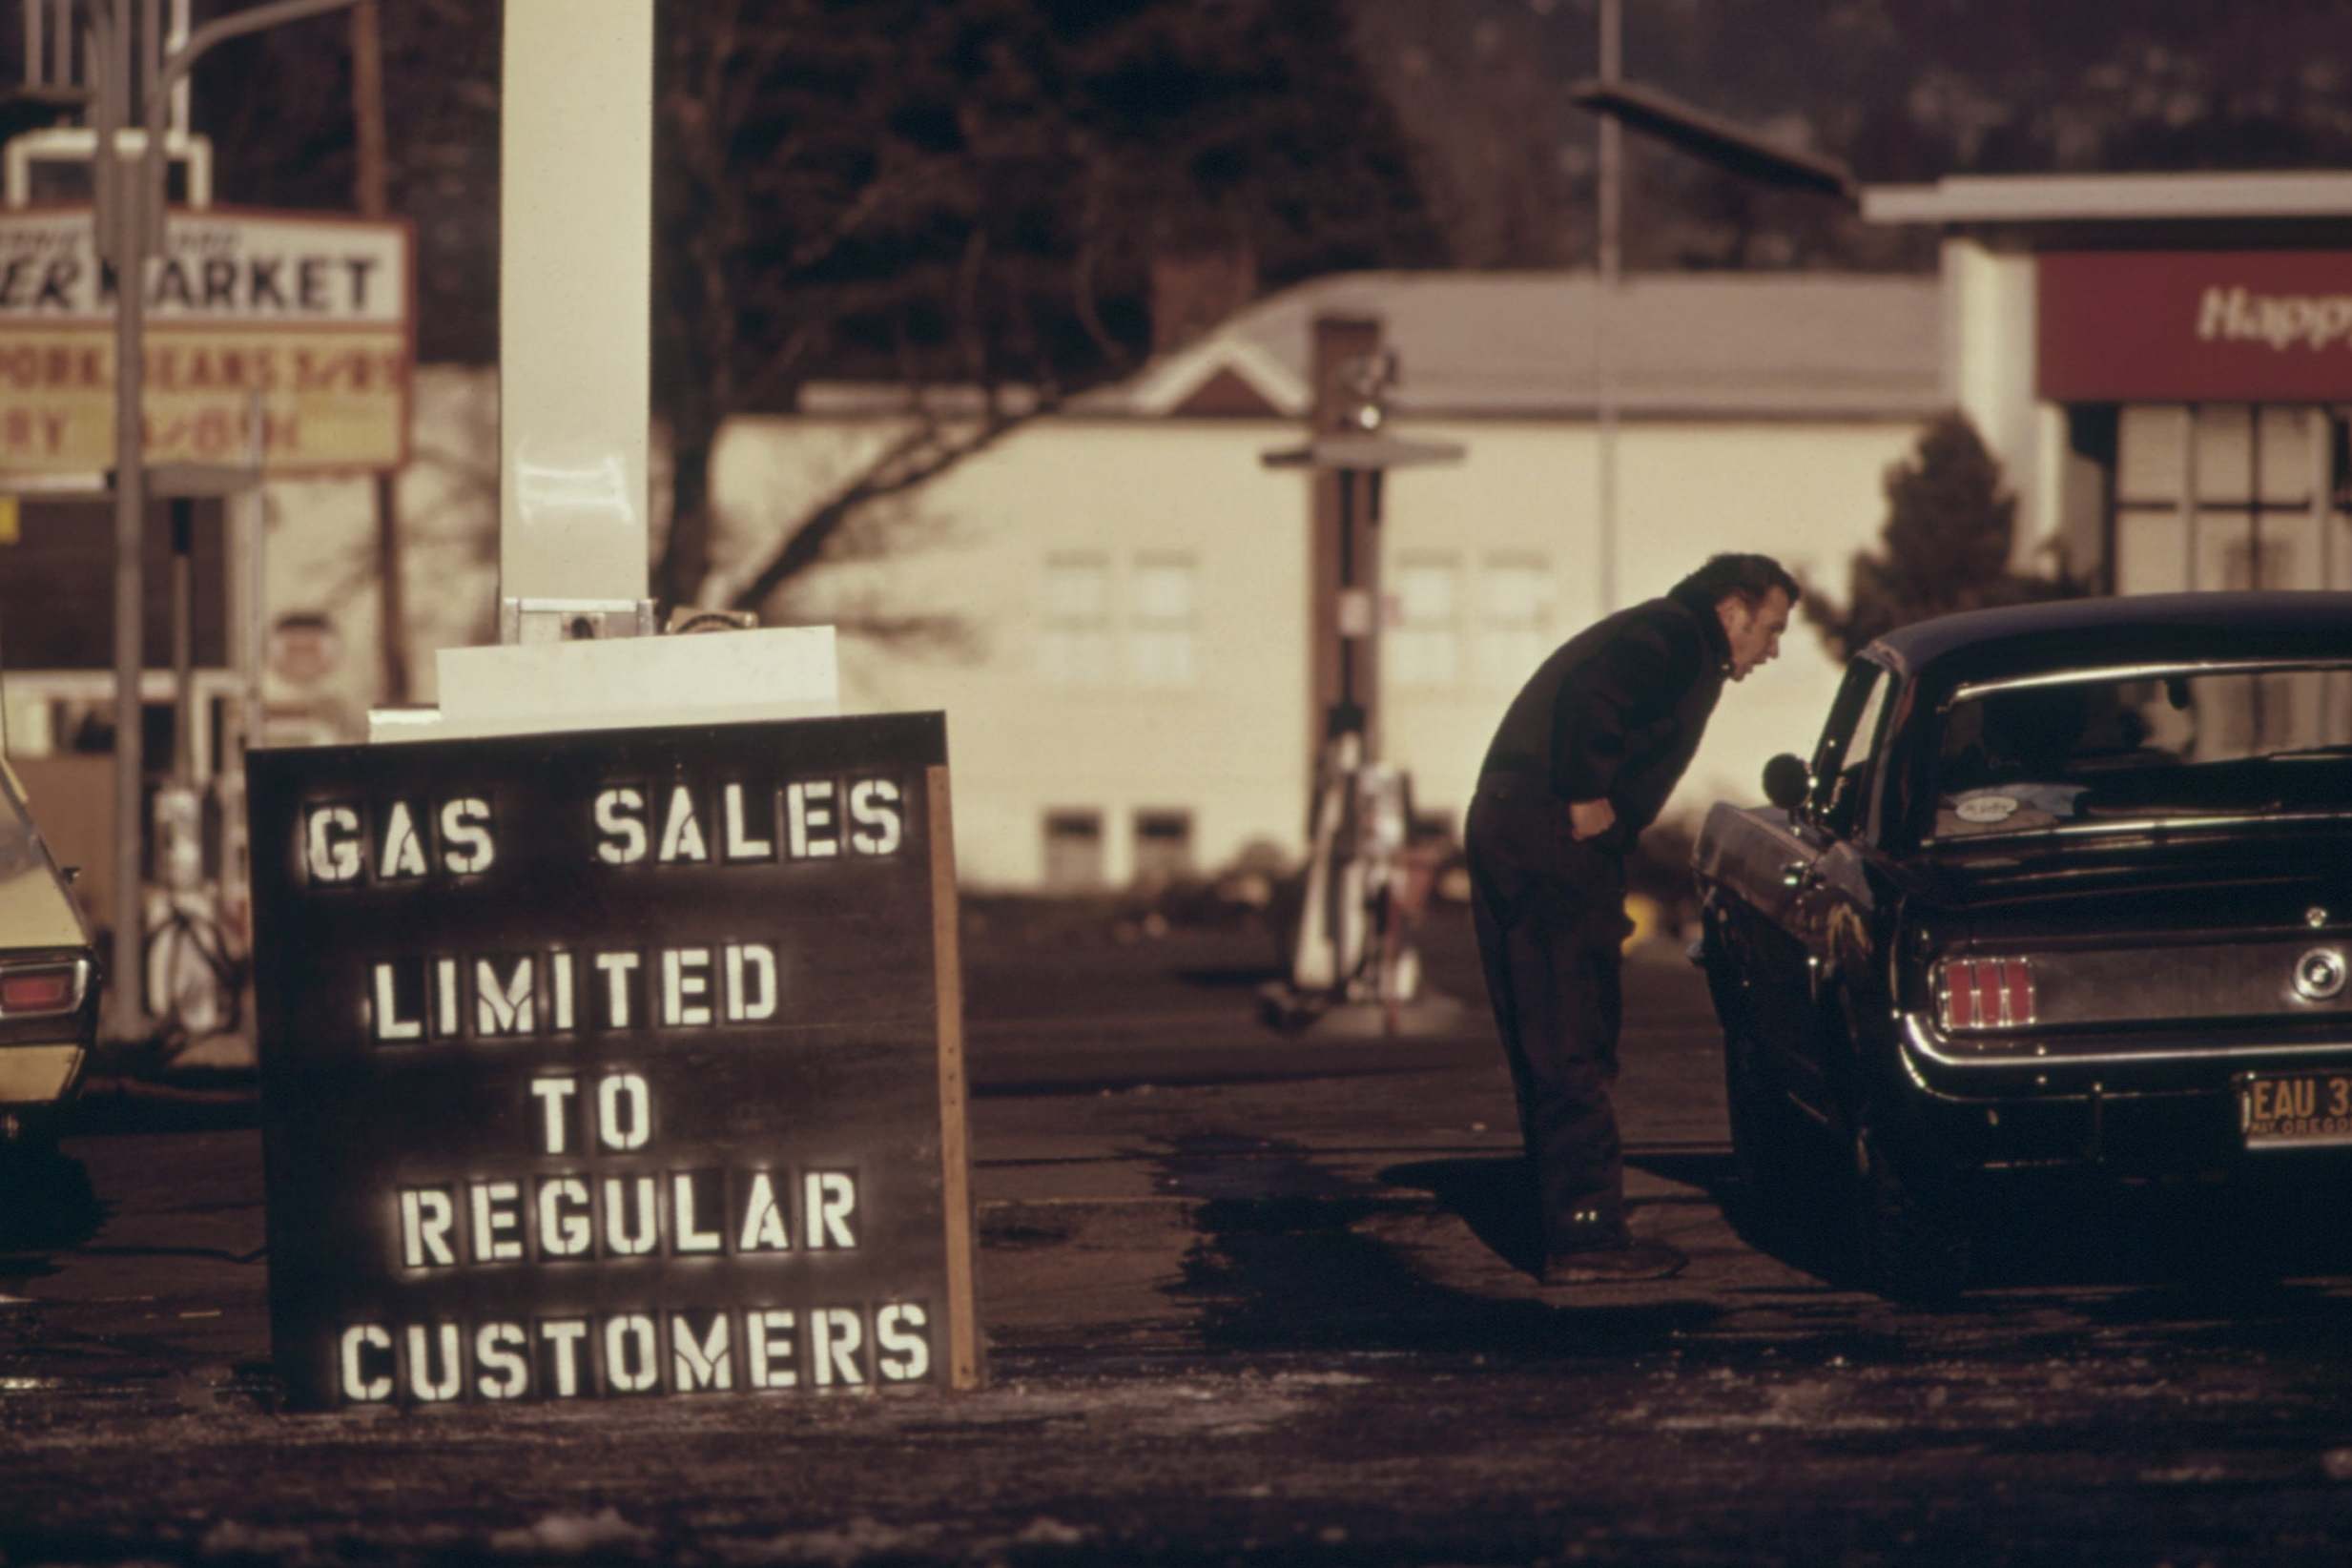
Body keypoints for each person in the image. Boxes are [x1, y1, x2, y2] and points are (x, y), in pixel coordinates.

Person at [1467, 552, 1797, 1283]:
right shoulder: (1676, 635)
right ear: (1733, 610)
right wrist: (1587, 795)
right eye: (1770, 630)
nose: (1771, 650)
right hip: (1547, 833)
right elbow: (1594, 693)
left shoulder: (1670, 633)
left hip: (1522, 829)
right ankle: (1584, 1236)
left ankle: (1568, 1218)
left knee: (1558, 1029)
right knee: (1570, 1028)